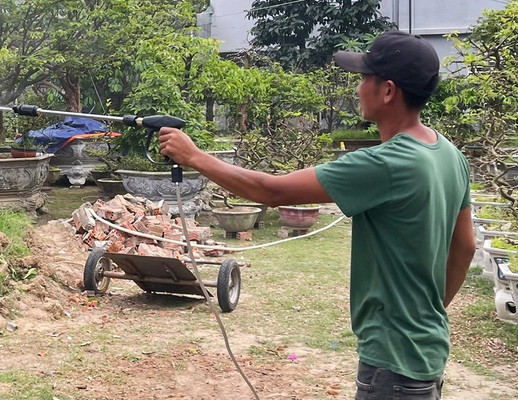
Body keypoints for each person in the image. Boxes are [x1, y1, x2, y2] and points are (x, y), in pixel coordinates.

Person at [158, 31, 474, 400]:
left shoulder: (388, 163)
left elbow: (270, 191)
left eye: (364, 78)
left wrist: (194, 156)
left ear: (388, 91)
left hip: (394, 365)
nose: (358, 88)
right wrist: (428, 311)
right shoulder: (450, 155)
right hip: (427, 352)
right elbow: (465, 247)